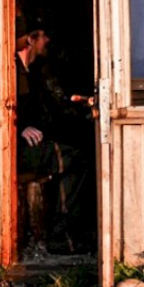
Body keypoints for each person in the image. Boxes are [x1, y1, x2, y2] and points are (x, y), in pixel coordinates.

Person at [16, 25, 91, 253]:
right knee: (78, 161)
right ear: (30, 39)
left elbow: (50, 108)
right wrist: (20, 127)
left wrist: (79, 104)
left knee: (78, 154)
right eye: (43, 36)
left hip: (35, 144)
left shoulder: (34, 71)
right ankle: (62, 236)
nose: (47, 40)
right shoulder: (9, 70)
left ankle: (65, 233)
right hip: (16, 150)